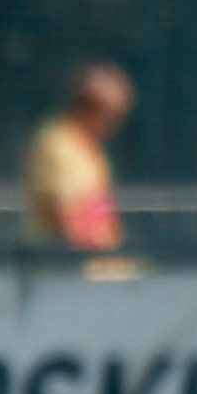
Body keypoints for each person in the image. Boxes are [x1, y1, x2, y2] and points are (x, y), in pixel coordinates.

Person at [28, 64, 137, 275]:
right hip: (68, 278)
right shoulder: (57, 145)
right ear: (91, 108)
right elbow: (69, 220)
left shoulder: (89, 149)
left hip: (98, 274)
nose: (115, 124)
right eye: (113, 115)